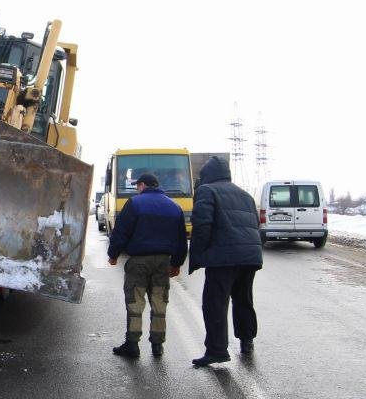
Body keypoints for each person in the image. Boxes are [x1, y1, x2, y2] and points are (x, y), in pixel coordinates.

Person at [187, 156, 263, 366]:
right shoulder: (245, 194)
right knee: (243, 299)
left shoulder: (207, 191)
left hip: (223, 259)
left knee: (215, 304)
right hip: (249, 257)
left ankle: (217, 350)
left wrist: (196, 257)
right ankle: (247, 342)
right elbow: (254, 224)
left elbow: (202, 224)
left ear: (207, 176)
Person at [107, 172, 188, 358]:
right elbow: (181, 240)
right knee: (159, 302)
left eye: (137, 186)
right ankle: (158, 346)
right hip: (162, 262)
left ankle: (132, 345)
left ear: (142, 185)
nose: (137, 189)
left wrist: (113, 255)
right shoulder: (174, 207)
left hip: (139, 262)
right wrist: (176, 264)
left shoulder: (135, 203)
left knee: (135, 302)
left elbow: (121, 232)